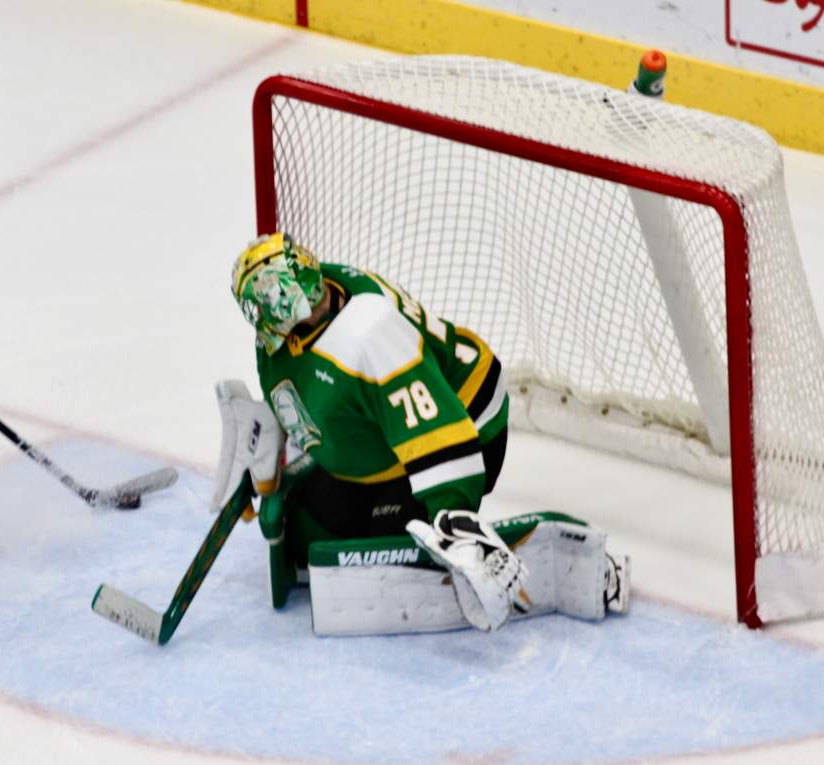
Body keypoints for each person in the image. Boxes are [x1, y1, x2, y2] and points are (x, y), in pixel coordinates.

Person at [213, 232, 628, 632]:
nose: (315, 304)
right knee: (303, 533)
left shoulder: (369, 334)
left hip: (466, 427)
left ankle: (532, 566)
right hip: (384, 436)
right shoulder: (285, 324)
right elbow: (303, 384)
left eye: (312, 296)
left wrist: (454, 517)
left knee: (388, 561)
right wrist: (272, 427)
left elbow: (437, 427)